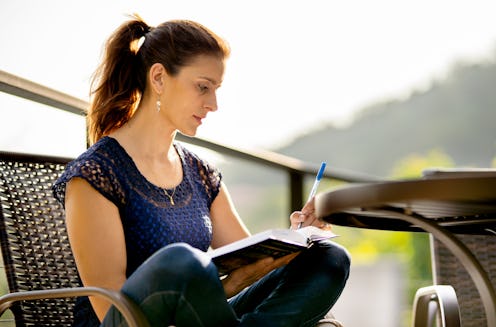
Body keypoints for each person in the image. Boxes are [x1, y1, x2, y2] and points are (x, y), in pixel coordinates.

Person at [53, 14, 350, 327]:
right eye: (203, 87)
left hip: (202, 319)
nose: (214, 104)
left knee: (329, 258)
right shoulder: (95, 174)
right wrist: (223, 284)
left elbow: (253, 261)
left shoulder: (200, 173)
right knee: (181, 263)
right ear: (158, 78)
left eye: (216, 88)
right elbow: (110, 309)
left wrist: (295, 238)